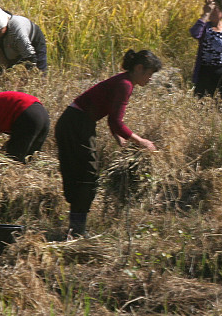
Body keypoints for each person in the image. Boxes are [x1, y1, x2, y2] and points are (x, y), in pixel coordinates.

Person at [54, 49, 162, 236]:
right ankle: (77, 230)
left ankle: (75, 226)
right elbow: (117, 122)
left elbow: (112, 119)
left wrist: (118, 136)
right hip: (76, 124)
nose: (150, 78)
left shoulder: (124, 81)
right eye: (150, 73)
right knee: (87, 175)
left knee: (82, 174)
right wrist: (141, 141)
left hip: (76, 122)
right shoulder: (125, 84)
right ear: (139, 68)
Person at [0, 3, 47, 75]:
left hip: (33, 40)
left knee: (39, 70)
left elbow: (30, 57)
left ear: (5, 25)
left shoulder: (18, 32)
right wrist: (3, 58)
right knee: (2, 71)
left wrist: (30, 74)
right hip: (11, 40)